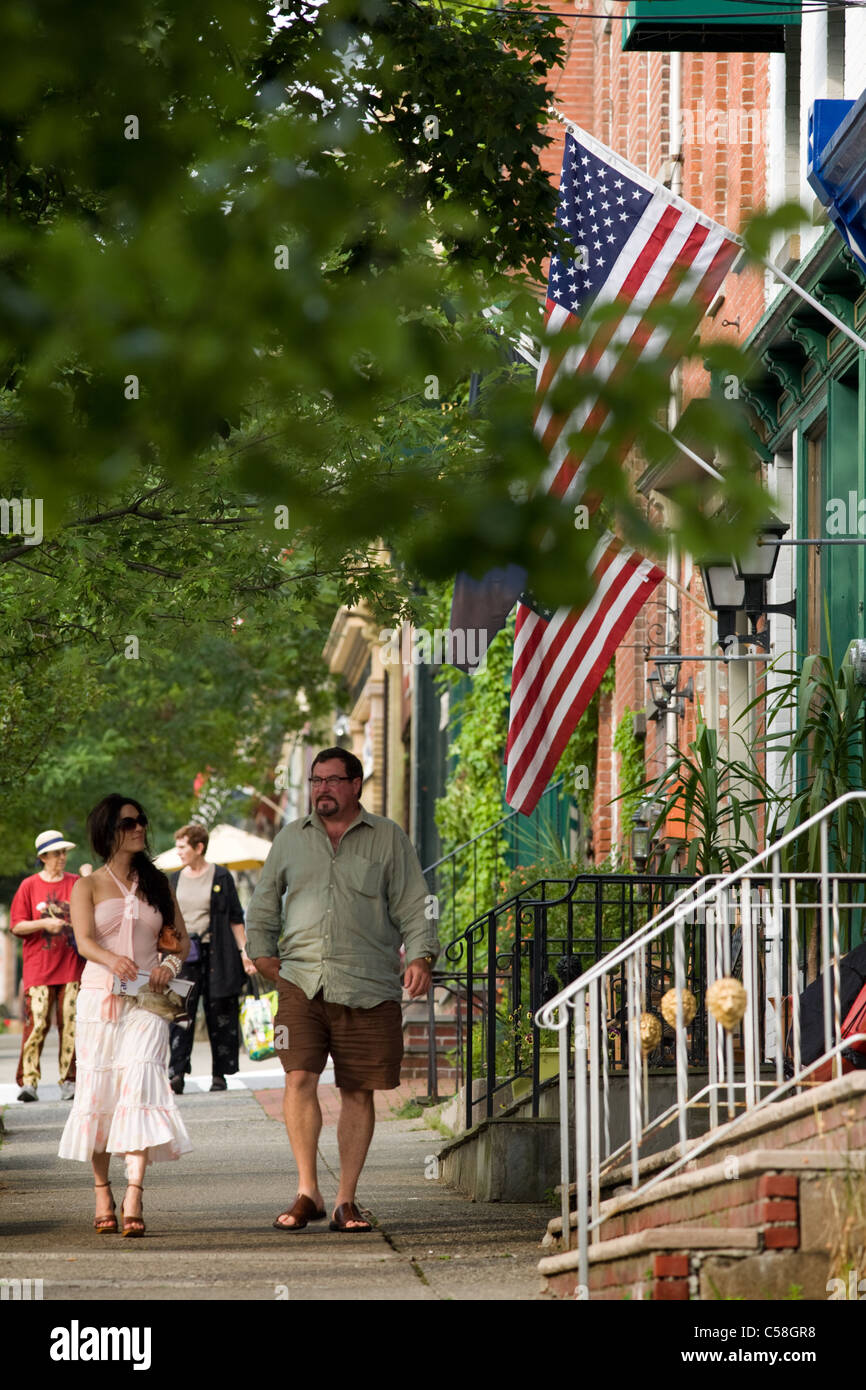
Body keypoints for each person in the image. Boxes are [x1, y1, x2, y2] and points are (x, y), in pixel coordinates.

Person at [245, 747, 440, 1233]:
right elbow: (264, 902)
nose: (322, 789)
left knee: (357, 1089)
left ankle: (345, 1199)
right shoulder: (291, 839)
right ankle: (307, 1190)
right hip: (301, 981)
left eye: (333, 780)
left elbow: (416, 905)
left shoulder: (388, 838)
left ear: (355, 785)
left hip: (368, 983)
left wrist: (419, 954)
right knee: (298, 1078)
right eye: (316, 780)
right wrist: (263, 955)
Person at [58, 795, 192, 1237]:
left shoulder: (158, 883)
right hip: (100, 999)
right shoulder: (88, 885)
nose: (139, 828)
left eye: (141, 821)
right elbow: (83, 941)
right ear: (108, 831)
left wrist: (167, 967)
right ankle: (102, 1190)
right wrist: (112, 959)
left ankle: (134, 1190)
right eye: (129, 822)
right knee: (99, 1094)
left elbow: (182, 941)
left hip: (148, 1003)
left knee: (140, 1079)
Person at [167, 822, 256, 1094]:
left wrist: (245, 953)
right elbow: (167, 921)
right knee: (181, 1014)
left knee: (221, 1012)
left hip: (218, 953)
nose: (179, 852)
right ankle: (177, 1073)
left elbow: (235, 919)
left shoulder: (221, 877)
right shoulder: (175, 879)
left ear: (198, 847)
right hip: (185, 955)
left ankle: (220, 1074)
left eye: (183, 847)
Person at [9, 830, 84, 1103]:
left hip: (71, 965)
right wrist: (44, 923)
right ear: (43, 857)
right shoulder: (29, 886)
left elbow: (89, 915)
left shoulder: (76, 882)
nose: (62, 857)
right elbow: (16, 925)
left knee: (72, 1024)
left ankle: (70, 1080)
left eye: (64, 852)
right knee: (37, 1023)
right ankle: (28, 1081)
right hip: (39, 968)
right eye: (57, 853)